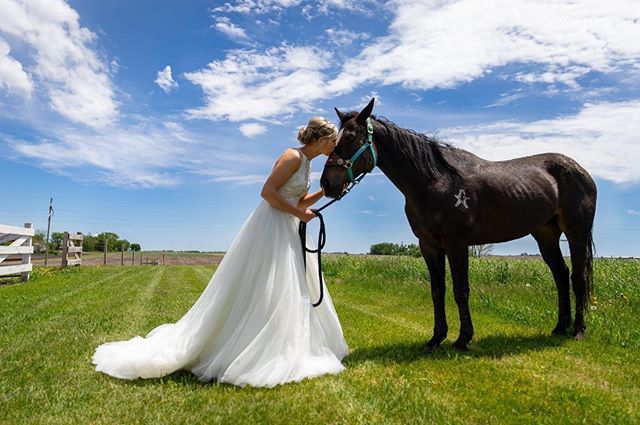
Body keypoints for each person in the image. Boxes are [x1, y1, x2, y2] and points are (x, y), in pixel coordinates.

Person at [92, 117, 348, 388]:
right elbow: (268, 193)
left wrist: (324, 192)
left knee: (288, 286)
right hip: (271, 227)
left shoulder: (307, 164)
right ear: (321, 140)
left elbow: (297, 200)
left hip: (287, 227)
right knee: (268, 284)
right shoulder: (292, 156)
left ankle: (283, 343)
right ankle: (247, 345)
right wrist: (298, 212)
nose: (335, 145)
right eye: (333, 140)